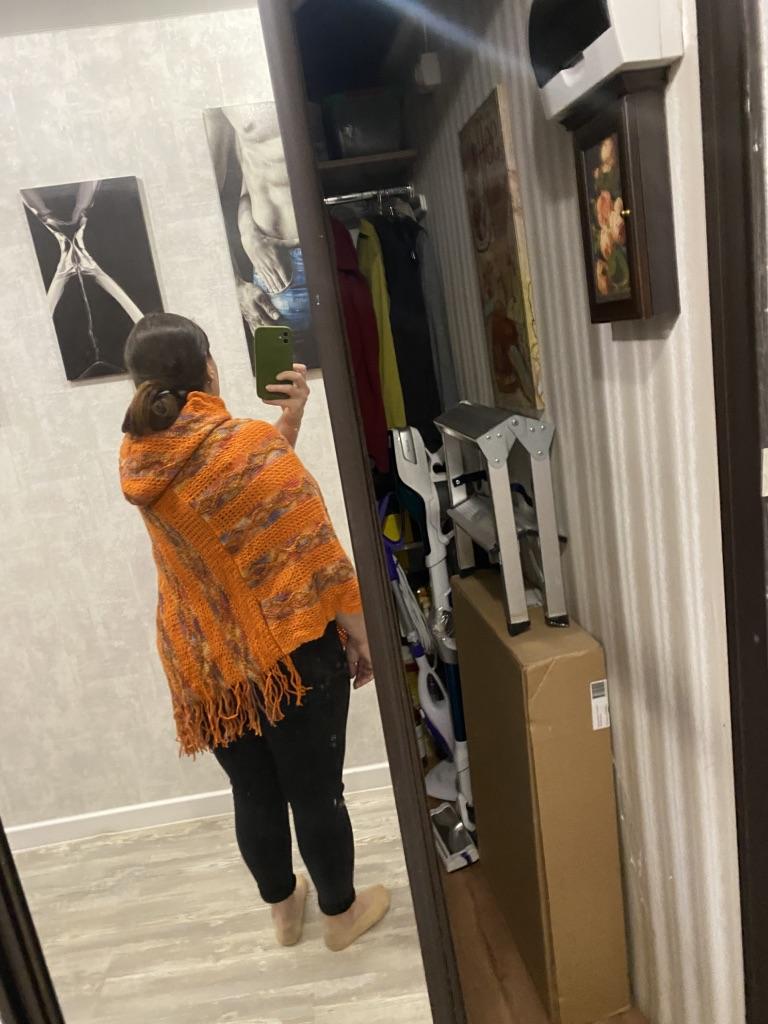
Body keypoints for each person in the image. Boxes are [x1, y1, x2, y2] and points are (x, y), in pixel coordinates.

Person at [119, 312, 390, 951]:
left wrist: (287, 424)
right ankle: (341, 917)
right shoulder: (244, 447)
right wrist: (363, 637)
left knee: (254, 792)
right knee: (315, 794)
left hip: (209, 662)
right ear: (209, 370)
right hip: (290, 655)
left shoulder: (141, 455)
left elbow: (234, 500)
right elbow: (316, 552)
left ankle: (283, 912)